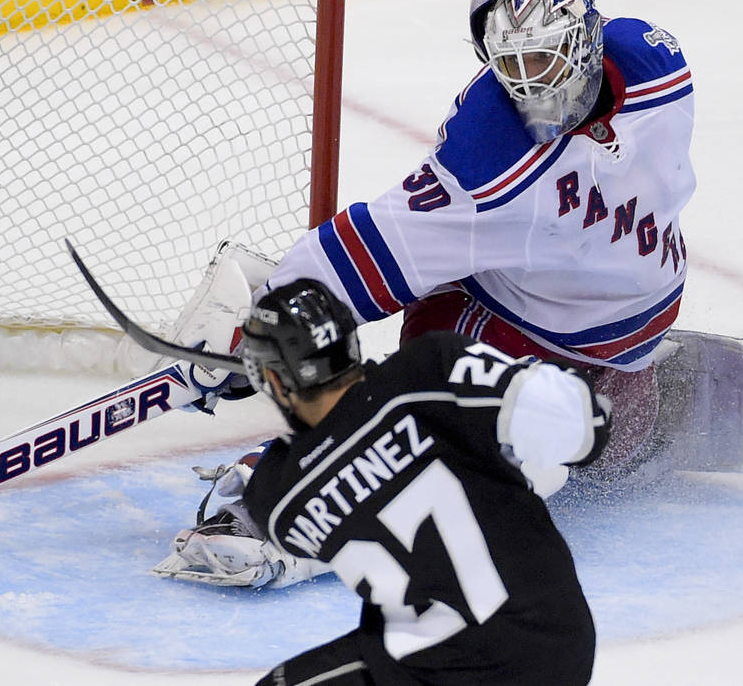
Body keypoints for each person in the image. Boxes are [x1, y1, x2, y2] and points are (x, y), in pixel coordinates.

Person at [158, 0, 696, 588]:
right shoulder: (487, 162)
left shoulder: (655, 68)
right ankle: (290, 496)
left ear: (588, 30)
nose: (531, 85)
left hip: (627, 316)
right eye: (512, 63)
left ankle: (624, 392)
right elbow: (371, 249)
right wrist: (268, 325)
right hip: (500, 320)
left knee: (607, 449)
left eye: (546, 57)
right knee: (464, 447)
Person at [235, 279, 609, 685]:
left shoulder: (277, 495)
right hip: (558, 649)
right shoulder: (430, 369)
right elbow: (588, 429)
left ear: (273, 380)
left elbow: (327, 457)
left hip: (435, 669)